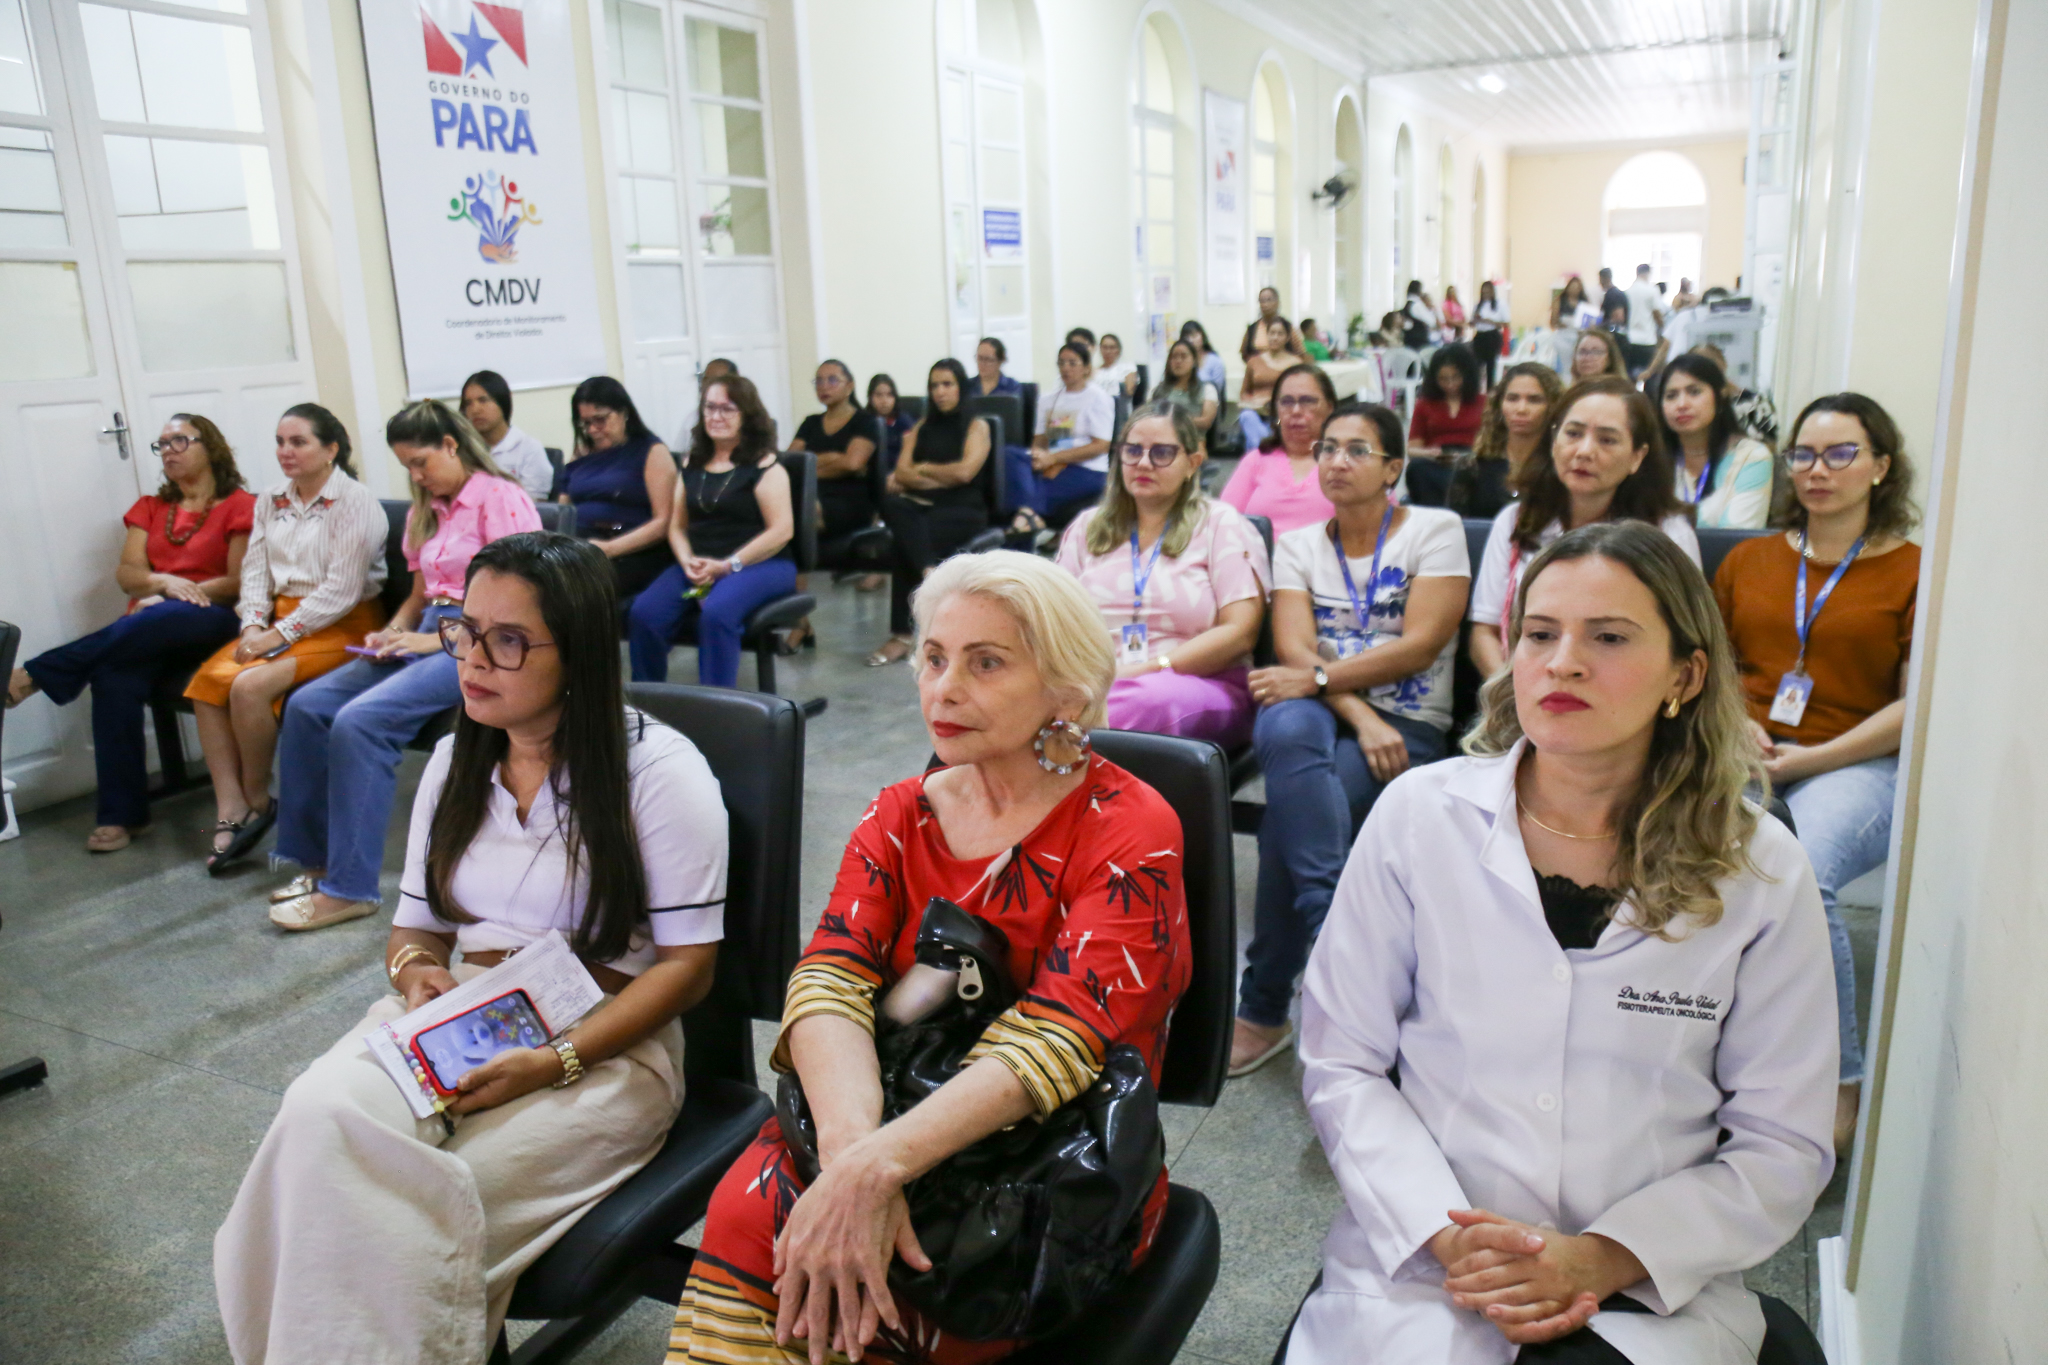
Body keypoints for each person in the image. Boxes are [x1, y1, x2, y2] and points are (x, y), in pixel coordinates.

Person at [1288, 520, 1837, 1365]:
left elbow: (1783, 1143)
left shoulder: (1761, 867)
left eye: (1609, 636)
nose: (1563, 661)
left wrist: (1604, 1256)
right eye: (1540, 634)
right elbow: (1341, 1059)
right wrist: (1449, 1236)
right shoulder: (1418, 817)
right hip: (1431, 1267)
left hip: (1649, 1286)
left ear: (1685, 676)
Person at [667, 550, 1190, 1365]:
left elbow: (1058, 1040)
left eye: (986, 663)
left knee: (938, 1269)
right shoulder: (900, 813)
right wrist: (853, 1162)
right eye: (935, 658)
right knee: (750, 1207)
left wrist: (877, 1171)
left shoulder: (1130, 826)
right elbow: (831, 983)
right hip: (878, 1107)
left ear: (1066, 693)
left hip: (1045, 1155)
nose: (943, 688)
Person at [215, 532, 727, 1363]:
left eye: (509, 640)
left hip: (603, 1047)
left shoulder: (660, 774)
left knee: (373, 1214)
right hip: (459, 1015)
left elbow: (686, 967)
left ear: (580, 654)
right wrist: (415, 971)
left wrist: (553, 1059)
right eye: (463, 628)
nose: (472, 658)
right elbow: (416, 926)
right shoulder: (458, 760)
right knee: (311, 1122)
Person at [1232, 401, 1470, 1076]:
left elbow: (1419, 646)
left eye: (1356, 449)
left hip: (1408, 722)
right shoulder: (1302, 544)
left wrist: (1353, 704)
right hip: (1331, 714)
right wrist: (1358, 713)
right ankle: (1330, 925)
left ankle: (1263, 1006)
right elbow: (1291, 649)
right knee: (1282, 723)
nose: (1335, 460)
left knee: (1290, 814)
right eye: (1329, 447)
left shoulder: (1435, 529)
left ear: (1394, 467)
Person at [1715, 392, 1921, 1155]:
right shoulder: (1750, 559)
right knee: (1694, 851)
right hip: (1746, 750)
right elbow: (1709, 667)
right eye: (1804, 453)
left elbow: (1914, 703)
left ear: (1880, 467)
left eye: (1841, 454)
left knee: (1803, 867)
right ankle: (1715, 1057)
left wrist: (1811, 758)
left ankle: (1839, 1079)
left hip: (1857, 762)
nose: (1818, 470)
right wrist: (1738, 728)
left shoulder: (1913, 571)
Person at [268, 400, 541, 932]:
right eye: (406, 467)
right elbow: (419, 593)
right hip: (430, 630)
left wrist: (438, 642)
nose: (415, 476)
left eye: (421, 462)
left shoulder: (499, 498)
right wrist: (395, 630)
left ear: (450, 445)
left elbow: (523, 597)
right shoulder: (425, 509)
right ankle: (319, 863)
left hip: (485, 639)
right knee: (306, 706)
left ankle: (351, 888)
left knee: (361, 720)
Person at [7, 415, 256, 852]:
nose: (170, 450)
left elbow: (237, 581)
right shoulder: (150, 508)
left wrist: (177, 597)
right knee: (112, 678)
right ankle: (124, 817)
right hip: (150, 623)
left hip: (215, 619)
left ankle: (34, 674)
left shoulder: (241, 505)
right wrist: (163, 585)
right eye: (162, 445)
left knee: (156, 617)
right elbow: (128, 574)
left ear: (211, 446)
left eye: (180, 440)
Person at [184, 404, 388, 874]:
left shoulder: (354, 501)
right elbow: (255, 571)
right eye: (280, 441)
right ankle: (231, 806)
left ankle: (259, 797)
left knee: (248, 685)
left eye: (298, 442)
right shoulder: (270, 497)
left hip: (346, 623)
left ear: (331, 449)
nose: (285, 452)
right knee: (207, 682)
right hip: (280, 619)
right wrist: (253, 625)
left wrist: (280, 634)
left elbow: (342, 590)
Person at [1056, 402, 1270, 747]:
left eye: (1162, 453)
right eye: (1133, 451)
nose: (1143, 462)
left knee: (1139, 701)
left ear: (1192, 463)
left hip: (1201, 682)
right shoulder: (1087, 528)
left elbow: (1240, 632)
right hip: (1096, 682)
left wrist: (1151, 668)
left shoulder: (1220, 524)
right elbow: (1052, 621)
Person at [1467, 377, 1699, 680]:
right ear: (1554, 441)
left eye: (1607, 440)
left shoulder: (1668, 534)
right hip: (1520, 692)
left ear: (1636, 457)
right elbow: (1483, 633)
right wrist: (1515, 699)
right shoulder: (1515, 521)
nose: (1584, 451)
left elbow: (1683, 643)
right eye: (1573, 434)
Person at [628, 375, 796, 688]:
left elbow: (781, 531)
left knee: (717, 613)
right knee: (645, 613)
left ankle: (716, 709)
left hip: (761, 564)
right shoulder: (692, 463)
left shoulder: (766, 466)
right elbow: (676, 526)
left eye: (727, 409)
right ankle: (647, 705)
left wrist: (729, 565)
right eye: (709, 408)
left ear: (746, 415)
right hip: (701, 565)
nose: (716, 416)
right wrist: (688, 561)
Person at [866, 360, 994, 667]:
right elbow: (901, 472)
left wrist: (923, 470)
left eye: (947, 384)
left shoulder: (978, 426)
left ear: (961, 387)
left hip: (964, 508)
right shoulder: (922, 426)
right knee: (891, 503)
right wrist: (931, 477)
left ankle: (901, 635)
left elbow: (965, 473)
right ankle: (928, 570)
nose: (940, 391)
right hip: (922, 506)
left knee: (902, 543)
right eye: (935, 385)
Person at [555, 376, 678, 600]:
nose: (592, 429)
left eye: (600, 420)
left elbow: (663, 522)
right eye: (585, 423)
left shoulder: (651, 451)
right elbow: (562, 512)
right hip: (582, 548)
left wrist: (610, 549)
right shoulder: (582, 454)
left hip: (630, 551)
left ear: (624, 412)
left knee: (570, 594)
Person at [790, 358, 883, 596]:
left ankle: (798, 600)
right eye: (819, 381)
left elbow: (853, 463)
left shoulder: (865, 421)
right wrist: (833, 458)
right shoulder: (810, 423)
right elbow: (792, 463)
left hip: (850, 500)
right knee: (795, 507)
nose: (824, 386)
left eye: (832, 380)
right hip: (812, 494)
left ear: (849, 386)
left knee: (803, 510)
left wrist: (812, 462)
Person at [1655, 353, 1774, 529]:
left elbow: (1736, 538)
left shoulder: (1751, 457)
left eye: (1694, 392)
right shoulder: (1651, 459)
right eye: (1671, 395)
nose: (1681, 404)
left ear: (1720, 398)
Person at [1220, 364, 1339, 535]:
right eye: (1287, 402)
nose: (1296, 411)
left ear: (1330, 407)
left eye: (1308, 401)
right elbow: (1222, 524)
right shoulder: (1257, 460)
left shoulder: (1344, 462)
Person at [1026, 341, 1117, 527]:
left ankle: (1027, 524)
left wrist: (1053, 458)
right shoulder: (1048, 400)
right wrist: (1038, 455)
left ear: (1086, 368)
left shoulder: (1098, 398)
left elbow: (1101, 445)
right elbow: (1040, 440)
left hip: (1087, 468)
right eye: (1061, 363)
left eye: (1072, 363)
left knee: (1033, 495)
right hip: (1052, 463)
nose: (1065, 368)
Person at [1469, 362, 1563, 520]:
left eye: (1534, 400)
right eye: (1512, 399)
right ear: (1500, 404)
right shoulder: (1474, 466)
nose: (1521, 409)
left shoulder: (1563, 466)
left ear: (1552, 406)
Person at [1405, 342, 1485, 508]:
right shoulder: (1425, 404)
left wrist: (1476, 454)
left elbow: (1493, 442)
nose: (1450, 384)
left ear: (1467, 375)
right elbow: (1412, 449)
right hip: (1438, 460)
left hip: (1472, 459)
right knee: (1417, 468)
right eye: (1443, 379)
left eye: (1455, 377)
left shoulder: (1483, 402)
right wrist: (1430, 454)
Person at [460, 370, 554, 501]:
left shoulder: (529, 449)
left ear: (502, 402)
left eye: (483, 400)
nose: (475, 409)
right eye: (468, 403)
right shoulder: (464, 451)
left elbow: (535, 505)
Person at [1691, 342, 1779, 445]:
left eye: (1711, 363)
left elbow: (1771, 443)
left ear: (1724, 364)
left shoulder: (1756, 401)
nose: (1707, 371)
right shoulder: (1692, 405)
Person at [1238, 317, 1296, 448]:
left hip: (1282, 413)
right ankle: (1264, 449)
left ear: (1287, 338)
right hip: (1257, 412)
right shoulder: (1254, 362)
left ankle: (1261, 453)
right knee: (1247, 417)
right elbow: (1244, 392)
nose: (1275, 337)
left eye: (1280, 334)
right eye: (1272, 333)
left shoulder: (1295, 364)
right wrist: (1253, 402)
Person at [1150, 338, 1220, 435]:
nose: (1178, 361)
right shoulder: (1159, 390)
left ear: (1194, 361)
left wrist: (1173, 420)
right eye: (1174, 357)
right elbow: (1147, 417)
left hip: (1194, 444)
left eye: (1183, 357)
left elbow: (1206, 422)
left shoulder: (1207, 389)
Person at [1622, 263, 1665, 377]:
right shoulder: (1652, 290)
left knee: (1630, 376)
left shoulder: (1627, 292)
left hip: (1630, 338)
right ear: (1648, 273)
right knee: (1648, 376)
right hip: (1647, 339)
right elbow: (1657, 314)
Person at [866, 373, 914, 474]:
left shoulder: (903, 421)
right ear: (870, 397)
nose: (884, 401)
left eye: (889, 395)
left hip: (899, 475)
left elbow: (912, 456)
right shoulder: (864, 422)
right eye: (879, 395)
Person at [1470, 281, 1509, 388]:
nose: (1485, 293)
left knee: (1491, 366)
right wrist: (1474, 321)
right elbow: (1472, 323)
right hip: (1480, 336)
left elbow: (1506, 323)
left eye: (1488, 291)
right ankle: (1476, 391)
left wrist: (1488, 321)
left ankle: (1490, 391)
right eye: (1484, 291)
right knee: (1476, 365)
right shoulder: (1478, 305)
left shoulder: (1500, 304)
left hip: (1492, 336)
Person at [1181, 319, 1230, 394]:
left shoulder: (1215, 361)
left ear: (1202, 337)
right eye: (1187, 337)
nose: (1191, 340)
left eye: (1194, 336)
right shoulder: (1179, 361)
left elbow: (1217, 390)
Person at [970, 336, 1023, 400]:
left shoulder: (1012, 387)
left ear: (1000, 361)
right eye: (980, 358)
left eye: (988, 359)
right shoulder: (968, 386)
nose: (982, 364)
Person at [1240, 284, 1283, 360]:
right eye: (1262, 301)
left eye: (1269, 300)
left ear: (1277, 302)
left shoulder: (1287, 327)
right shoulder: (1252, 328)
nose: (1265, 304)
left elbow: (1300, 353)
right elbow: (1244, 353)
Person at [1094, 331, 1140, 398]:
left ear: (1118, 349)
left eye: (1112, 347)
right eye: (1105, 347)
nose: (1108, 351)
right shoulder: (1095, 372)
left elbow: (1129, 391)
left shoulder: (1128, 368)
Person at [1402, 280, 1438, 349]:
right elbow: (1431, 321)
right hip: (1419, 340)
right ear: (1419, 290)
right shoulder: (1417, 305)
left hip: (1409, 339)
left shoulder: (1408, 304)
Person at [1596, 266, 1629, 337]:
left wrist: (1599, 325)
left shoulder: (1613, 294)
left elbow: (1618, 317)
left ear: (1604, 279)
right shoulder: (1614, 293)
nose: (1599, 283)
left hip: (1615, 336)